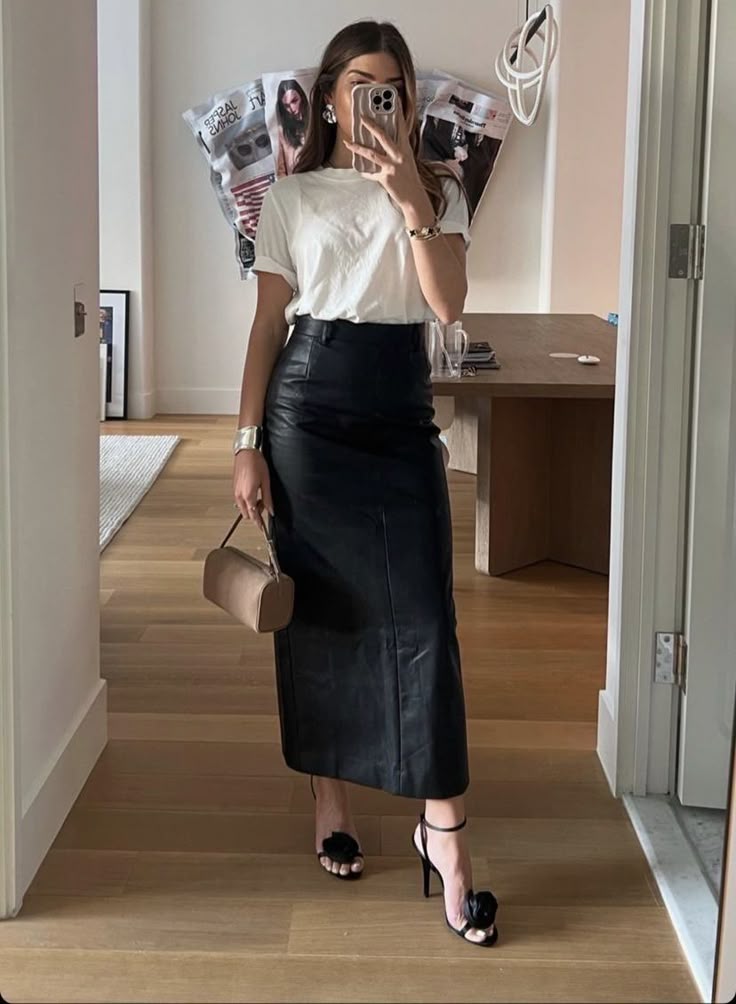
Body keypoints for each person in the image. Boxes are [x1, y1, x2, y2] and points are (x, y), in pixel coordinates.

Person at [232, 18, 499, 948]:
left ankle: (444, 834)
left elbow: (447, 304)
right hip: (307, 412)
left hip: (397, 413)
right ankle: (331, 797)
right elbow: (268, 327)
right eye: (359, 87)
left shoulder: (439, 188)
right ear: (330, 99)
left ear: (408, 100)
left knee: (427, 622)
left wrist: (409, 193)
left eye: (392, 88)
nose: (376, 102)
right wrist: (246, 442)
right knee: (321, 615)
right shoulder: (291, 196)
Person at [275, 78, 309, 176]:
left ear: (301, 96)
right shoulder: (282, 131)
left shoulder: (315, 120)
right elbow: (280, 171)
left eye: (294, 101)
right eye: (286, 106)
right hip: (295, 182)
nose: (292, 109)